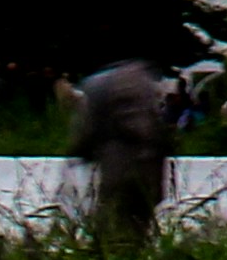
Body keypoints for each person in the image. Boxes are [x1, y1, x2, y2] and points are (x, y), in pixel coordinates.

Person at [73, 56, 179, 245]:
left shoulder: (95, 84)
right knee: (139, 228)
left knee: (111, 229)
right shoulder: (145, 80)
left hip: (118, 169)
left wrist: (79, 153)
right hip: (150, 170)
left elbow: (87, 133)